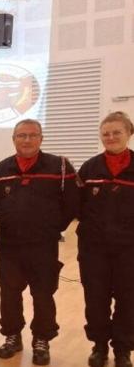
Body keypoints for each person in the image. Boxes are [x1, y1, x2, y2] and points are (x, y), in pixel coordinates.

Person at [0, 119, 78, 366]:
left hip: (43, 246)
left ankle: (42, 340)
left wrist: (52, 227)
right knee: (9, 294)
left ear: (41, 138)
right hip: (9, 247)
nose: (26, 140)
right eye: (21, 135)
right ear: (13, 139)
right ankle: (12, 337)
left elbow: (72, 203)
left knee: (43, 295)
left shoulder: (59, 167)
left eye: (32, 135)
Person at [77, 112, 134, 367]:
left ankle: (123, 350)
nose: (110, 137)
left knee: (128, 299)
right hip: (94, 250)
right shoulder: (90, 168)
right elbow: (76, 206)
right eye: (105, 133)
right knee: (96, 300)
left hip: (129, 250)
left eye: (116, 132)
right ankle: (99, 346)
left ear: (129, 134)